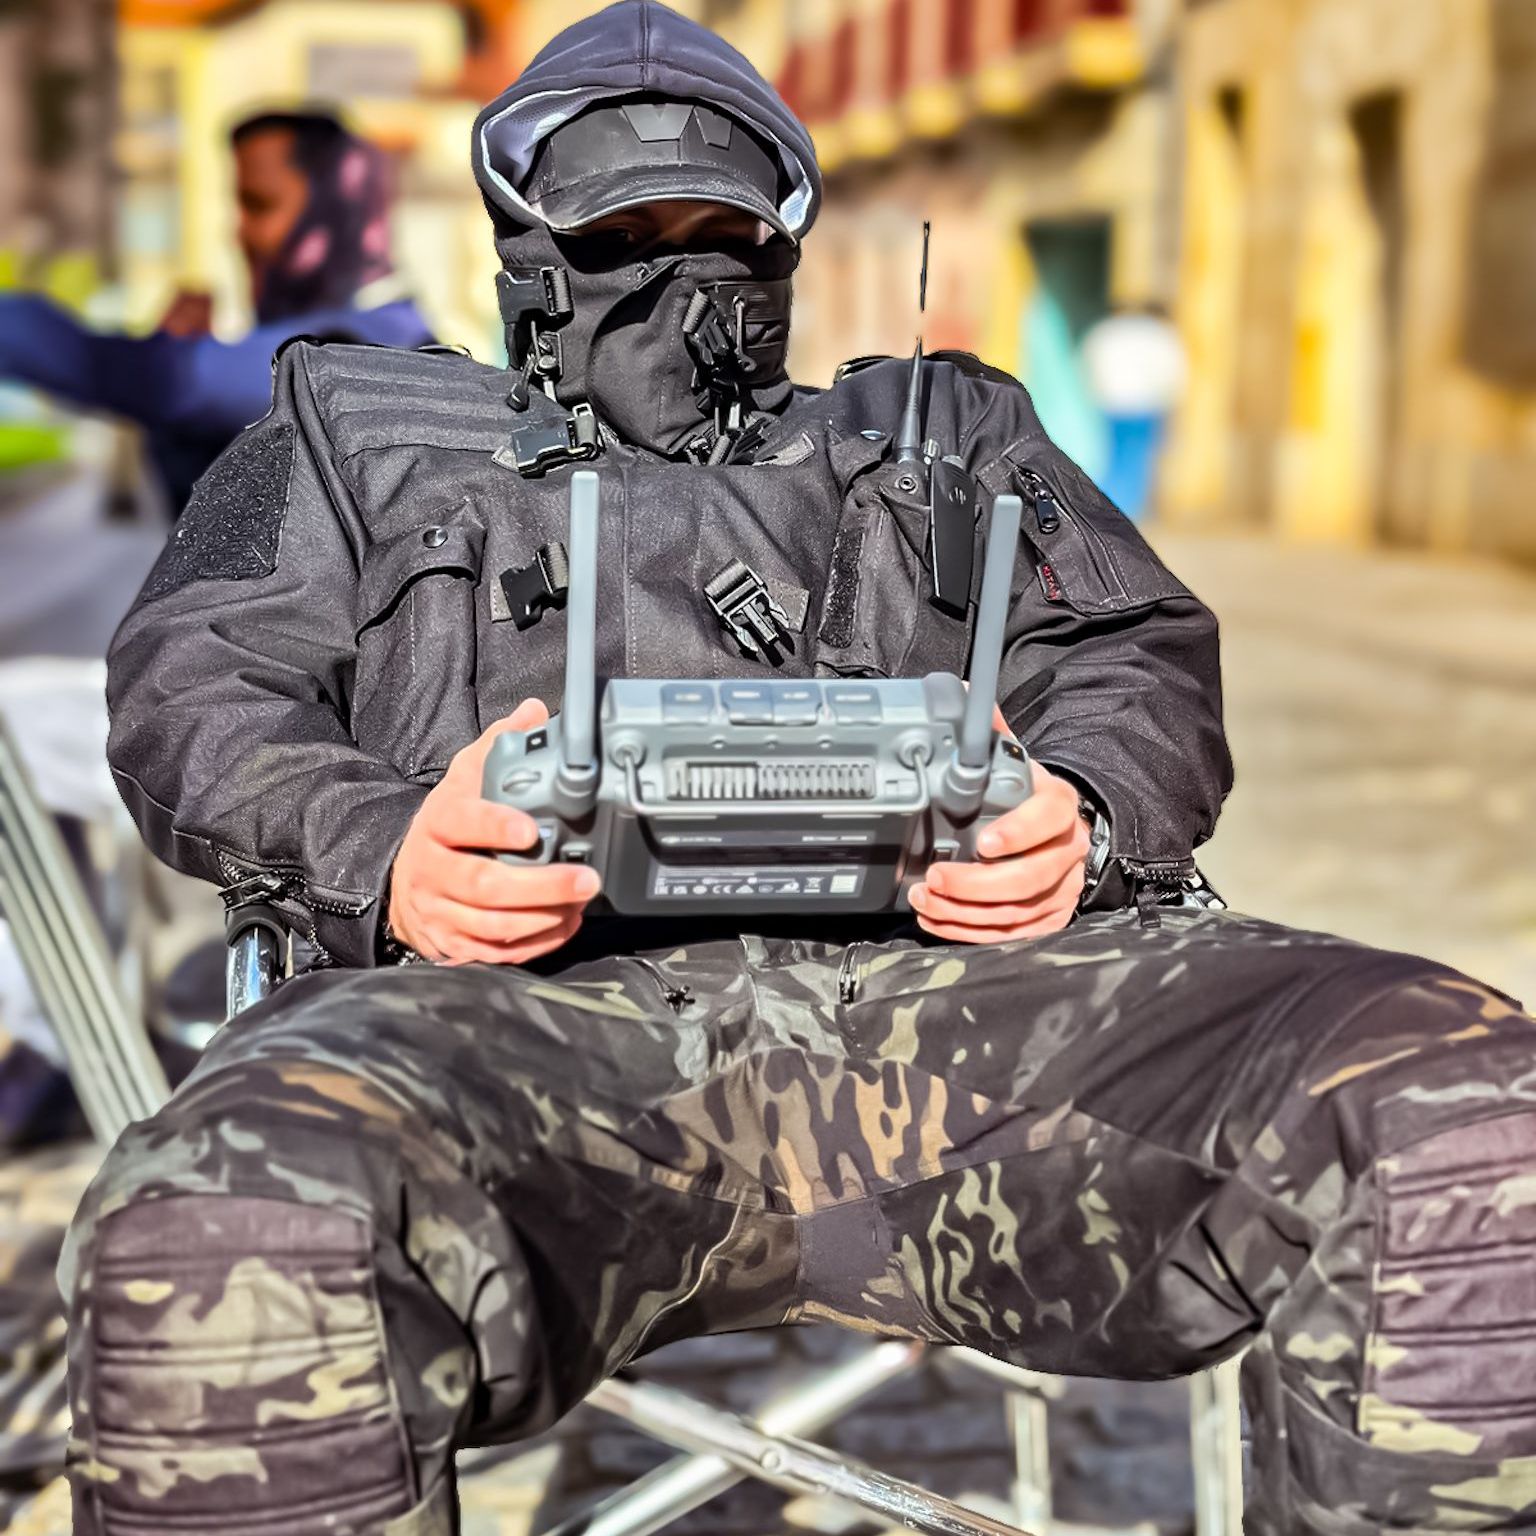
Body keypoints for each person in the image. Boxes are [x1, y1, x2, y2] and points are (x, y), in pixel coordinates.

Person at [62, 5, 1535, 1534]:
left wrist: (1083, 817)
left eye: (721, 228)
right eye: (624, 231)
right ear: (526, 249)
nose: (677, 270)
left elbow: (1140, 650)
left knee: (1456, 1113)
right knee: (229, 1215)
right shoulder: (347, 428)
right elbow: (189, 686)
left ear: (785, 244)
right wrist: (384, 848)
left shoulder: (949, 432)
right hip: (521, 1040)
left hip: (965, 1037)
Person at [0, 109, 433, 513]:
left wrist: (171, 363)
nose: (239, 233)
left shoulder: (346, 353)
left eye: (259, 205)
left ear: (337, 214)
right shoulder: (395, 334)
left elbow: (153, 378)